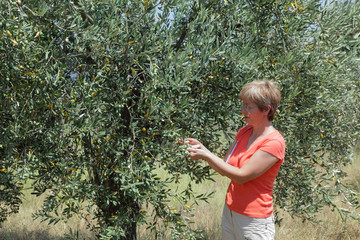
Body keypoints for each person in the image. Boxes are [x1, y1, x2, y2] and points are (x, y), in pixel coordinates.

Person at [184, 80, 285, 240]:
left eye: (248, 107)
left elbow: (242, 175)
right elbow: (224, 167)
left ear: (266, 110)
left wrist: (207, 154)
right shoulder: (245, 132)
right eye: (243, 105)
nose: (242, 110)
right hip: (231, 211)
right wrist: (202, 148)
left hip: (255, 220)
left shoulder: (274, 142)